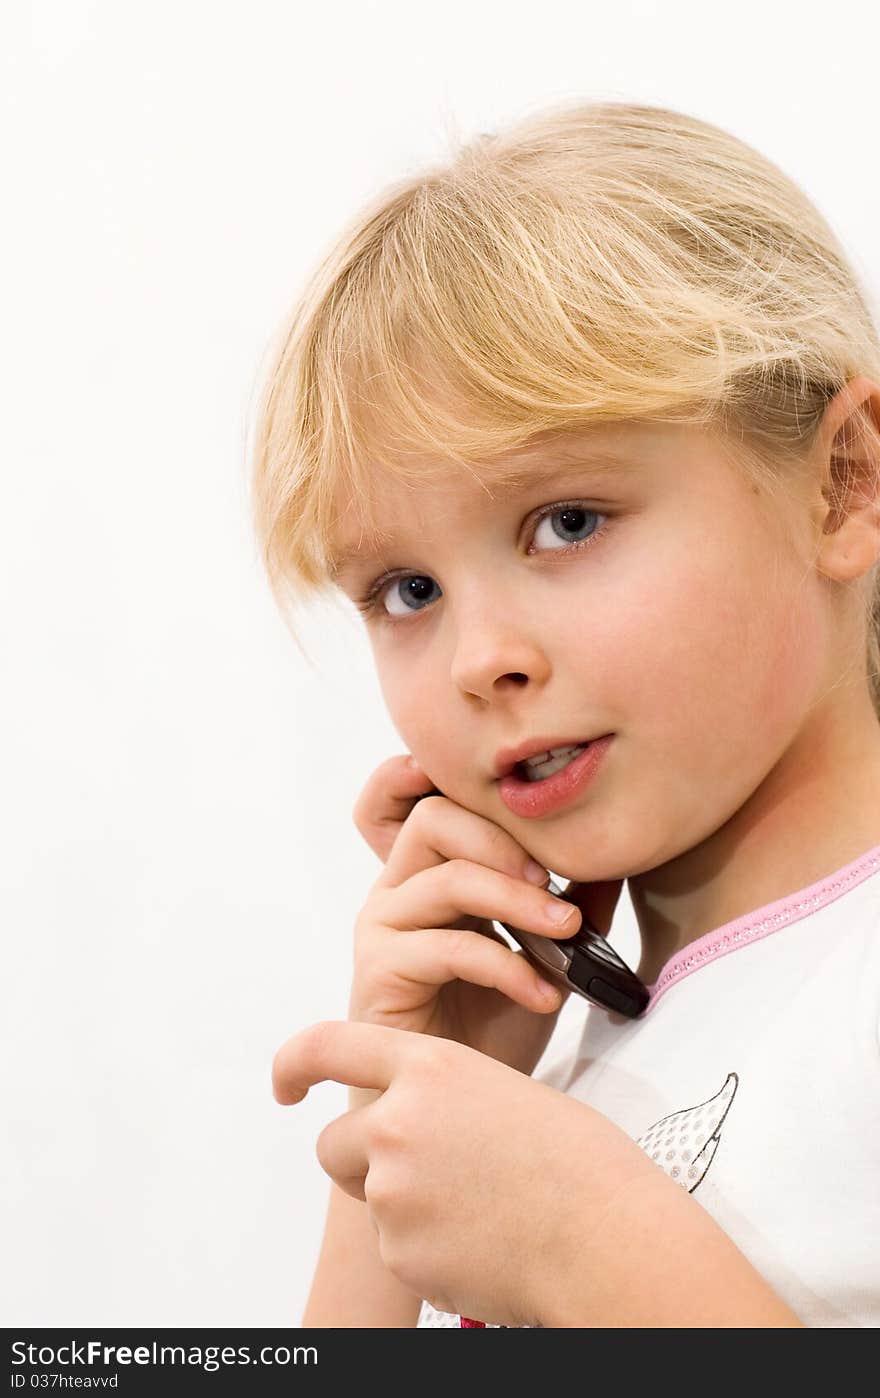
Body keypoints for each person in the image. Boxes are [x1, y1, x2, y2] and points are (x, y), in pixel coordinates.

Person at [252, 100, 880, 1327]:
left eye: (568, 521)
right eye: (407, 591)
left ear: (841, 483)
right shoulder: (571, 1068)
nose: (481, 659)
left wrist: (581, 1240)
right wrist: (400, 1120)